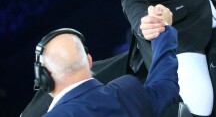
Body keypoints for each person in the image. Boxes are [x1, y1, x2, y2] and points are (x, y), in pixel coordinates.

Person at [29, 7, 179, 117]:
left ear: (44, 75)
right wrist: (162, 29)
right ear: (89, 60)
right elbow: (165, 84)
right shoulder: (127, 91)